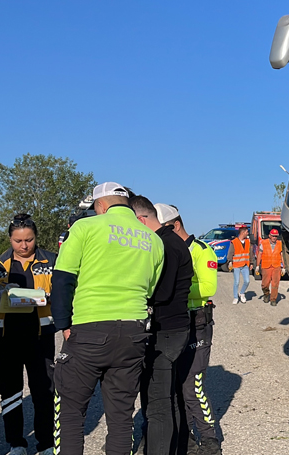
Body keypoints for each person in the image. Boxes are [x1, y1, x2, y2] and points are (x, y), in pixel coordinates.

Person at [50, 182, 165, 455]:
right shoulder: (153, 239)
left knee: (71, 412)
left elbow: (63, 279)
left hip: (90, 327)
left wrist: (63, 324)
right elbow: (150, 290)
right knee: (121, 417)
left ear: (100, 205)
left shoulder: (85, 228)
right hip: (134, 332)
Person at [0, 214, 57, 455]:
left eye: (29, 240)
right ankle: (16, 443)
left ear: (36, 237)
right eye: (18, 241)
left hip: (40, 335)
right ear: (10, 239)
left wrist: (44, 298)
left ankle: (46, 443)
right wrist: (0, 296)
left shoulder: (51, 261)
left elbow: (65, 294)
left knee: (43, 390)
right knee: (10, 391)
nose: (24, 246)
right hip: (5, 337)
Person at [130, 197, 193, 455]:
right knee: (170, 398)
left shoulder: (165, 245)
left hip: (166, 331)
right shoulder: (171, 241)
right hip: (175, 328)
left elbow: (163, 292)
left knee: (157, 404)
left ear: (141, 220)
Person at [162, 204, 223, 455]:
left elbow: (208, 287)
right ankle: (182, 437)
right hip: (171, 322)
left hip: (197, 322)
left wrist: (175, 294)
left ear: (175, 225)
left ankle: (209, 439)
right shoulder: (164, 249)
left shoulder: (201, 250)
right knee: (171, 384)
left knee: (193, 385)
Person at [257, 228, 285, 306]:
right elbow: (259, 254)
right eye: (273, 236)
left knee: (275, 284)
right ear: (269, 235)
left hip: (276, 266)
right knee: (265, 284)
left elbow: (282, 255)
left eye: (276, 236)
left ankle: (273, 299)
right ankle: (266, 294)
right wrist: (257, 265)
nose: (274, 238)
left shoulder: (280, 244)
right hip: (266, 266)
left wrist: (284, 267)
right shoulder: (263, 243)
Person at [225, 226, 250, 304]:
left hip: (245, 265)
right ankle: (235, 297)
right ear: (242, 233)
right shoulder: (234, 242)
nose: (248, 233)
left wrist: (251, 262)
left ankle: (241, 293)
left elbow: (250, 253)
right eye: (247, 232)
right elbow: (230, 252)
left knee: (247, 281)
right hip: (236, 265)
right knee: (236, 282)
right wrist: (230, 261)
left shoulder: (248, 241)